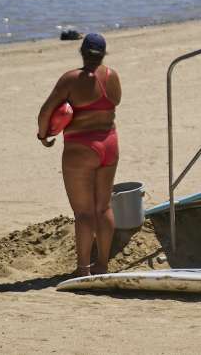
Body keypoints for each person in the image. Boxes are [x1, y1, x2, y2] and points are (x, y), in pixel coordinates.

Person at [37, 33, 123, 277]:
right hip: (110, 143)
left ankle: (83, 269)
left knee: (83, 212)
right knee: (103, 207)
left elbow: (45, 112)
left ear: (82, 52)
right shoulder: (113, 76)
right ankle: (103, 265)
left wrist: (43, 136)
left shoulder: (71, 79)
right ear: (104, 53)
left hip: (81, 147)